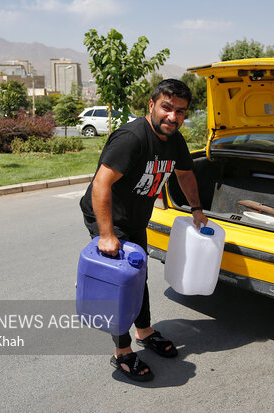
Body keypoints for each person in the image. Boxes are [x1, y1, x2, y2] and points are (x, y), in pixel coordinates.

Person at [80, 79, 208, 382]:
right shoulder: (132, 138)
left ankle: (144, 330)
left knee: (140, 275)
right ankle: (122, 352)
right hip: (108, 217)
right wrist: (107, 235)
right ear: (151, 105)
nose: (172, 117)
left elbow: (186, 175)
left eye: (180, 111)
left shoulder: (174, 140)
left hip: (136, 218)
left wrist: (197, 209)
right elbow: (100, 184)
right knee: (121, 281)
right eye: (166, 107)